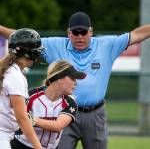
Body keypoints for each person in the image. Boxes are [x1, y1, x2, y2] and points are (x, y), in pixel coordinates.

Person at [1, 11, 150, 149]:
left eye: (84, 32)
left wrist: (33, 120)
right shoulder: (55, 45)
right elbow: (23, 38)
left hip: (95, 113)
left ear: (91, 32)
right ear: (68, 33)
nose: (80, 36)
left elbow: (136, 35)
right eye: (75, 32)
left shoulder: (107, 45)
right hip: (63, 110)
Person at [10, 60, 86, 149]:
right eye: (72, 78)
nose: (76, 83)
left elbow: (58, 126)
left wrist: (32, 120)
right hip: (21, 145)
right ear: (60, 79)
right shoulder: (31, 95)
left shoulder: (70, 103)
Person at [0, 28, 44, 149]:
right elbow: (22, 118)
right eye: (36, 51)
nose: (38, 53)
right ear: (27, 52)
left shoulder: (8, 69)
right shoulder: (14, 75)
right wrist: (38, 146)